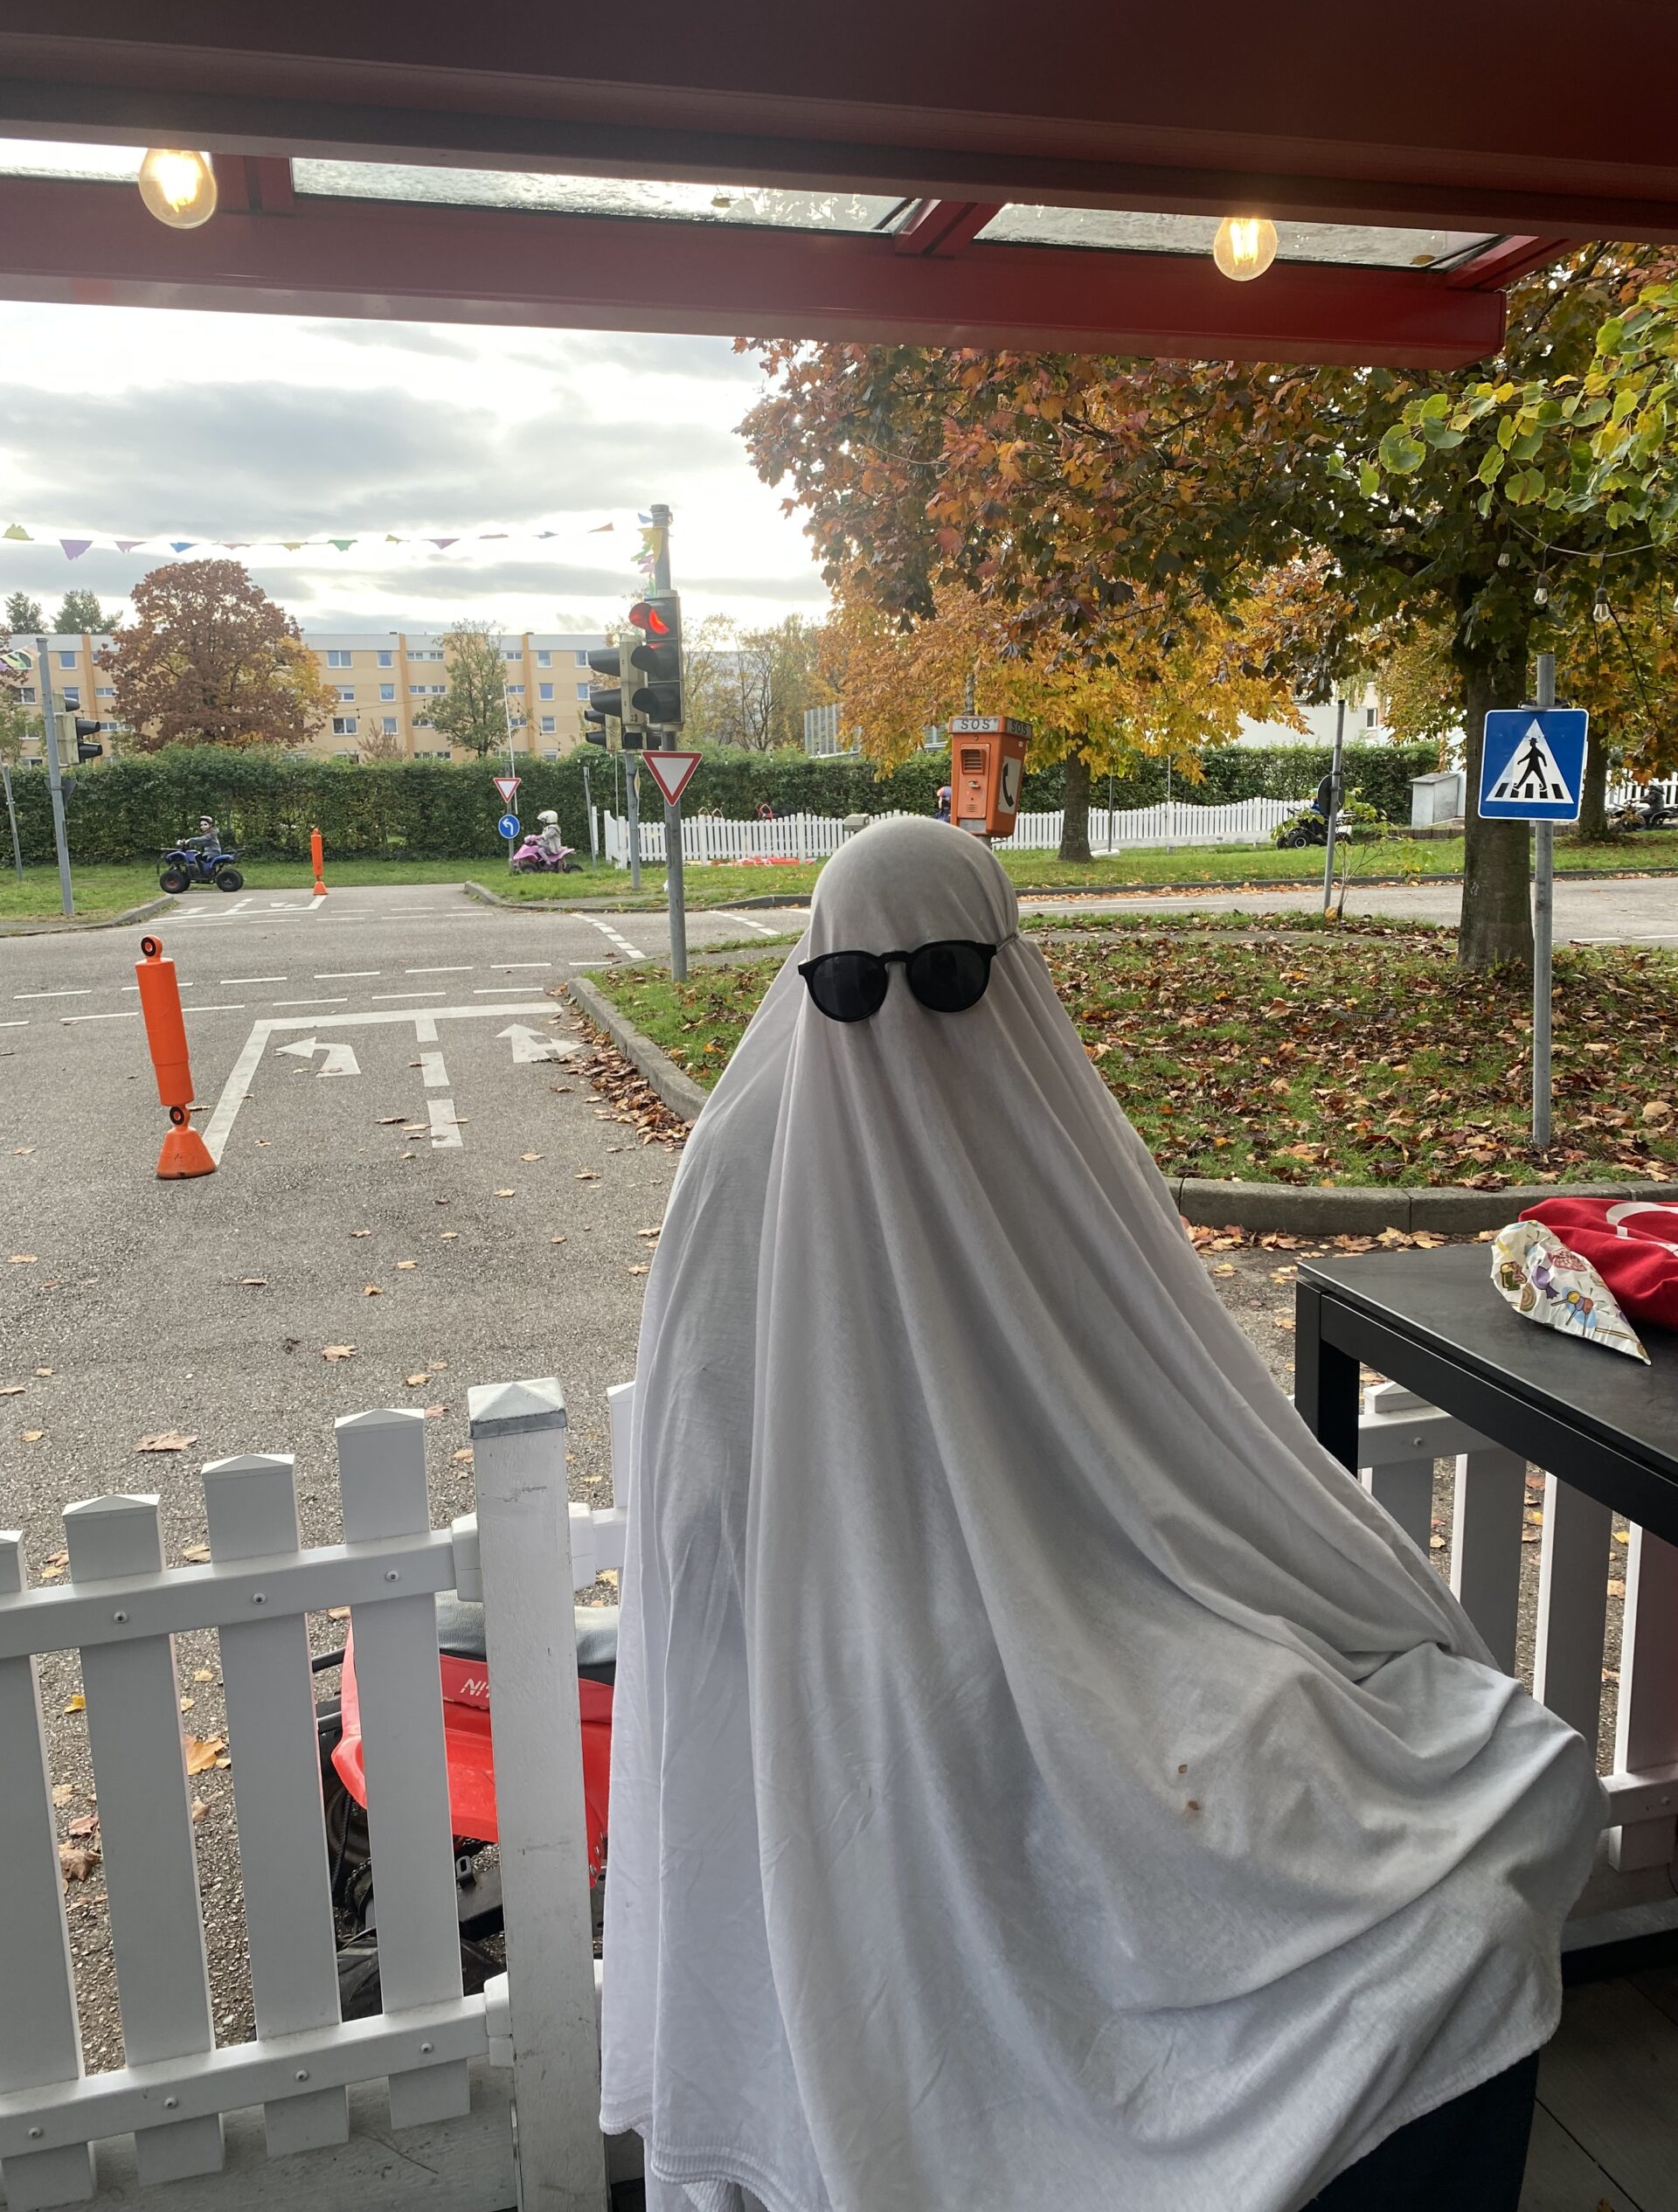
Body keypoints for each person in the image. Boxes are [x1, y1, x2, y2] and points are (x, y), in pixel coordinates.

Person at [600, 819, 1601, 2212]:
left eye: (944, 976)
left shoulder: (1035, 1128)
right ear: (810, 977)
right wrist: (864, 1627)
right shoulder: (758, 1158)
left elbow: (1178, 1413)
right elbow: (702, 1494)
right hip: (882, 1671)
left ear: (1000, 966)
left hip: (1104, 1611)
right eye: (854, 986)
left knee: (1423, 1826)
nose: (898, 1012)